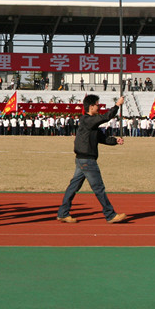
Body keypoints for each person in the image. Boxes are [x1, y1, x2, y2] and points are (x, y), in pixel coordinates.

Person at [57, 94, 128, 224]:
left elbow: (101, 138)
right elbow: (106, 117)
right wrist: (117, 105)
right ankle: (110, 214)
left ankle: (63, 213)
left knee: (73, 187)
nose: (99, 106)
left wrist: (115, 141)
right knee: (98, 188)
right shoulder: (87, 119)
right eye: (97, 104)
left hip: (82, 159)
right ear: (91, 107)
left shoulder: (91, 122)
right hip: (87, 160)